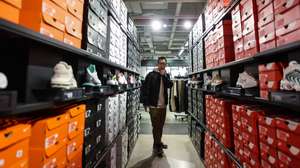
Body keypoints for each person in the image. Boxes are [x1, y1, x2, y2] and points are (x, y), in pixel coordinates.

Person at [143, 57, 173, 157]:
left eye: (164, 64)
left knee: (160, 126)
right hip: (154, 106)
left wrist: (164, 76)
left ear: (166, 65)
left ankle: (158, 142)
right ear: (157, 64)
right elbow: (145, 90)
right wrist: (145, 103)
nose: (162, 65)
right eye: (161, 63)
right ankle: (157, 146)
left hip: (163, 106)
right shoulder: (151, 75)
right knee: (156, 126)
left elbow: (170, 85)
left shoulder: (166, 75)